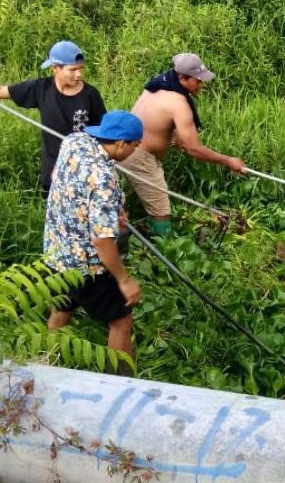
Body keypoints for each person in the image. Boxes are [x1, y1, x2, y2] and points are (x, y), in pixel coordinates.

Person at [43, 110, 143, 356]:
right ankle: (122, 384)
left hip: (57, 252)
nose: (134, 152)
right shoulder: (103, 178)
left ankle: (44, 365)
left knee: (62, 308)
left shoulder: (74, 140)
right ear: (120, 143)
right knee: (121, 321)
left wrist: (107, 211)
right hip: (86, 266)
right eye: (135, 146)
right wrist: (123, 279)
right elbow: (101, 239)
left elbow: (57, 175)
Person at [122, 53, 246, 236]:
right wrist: (228, 161)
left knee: (124, 203)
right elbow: (193, 149)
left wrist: (174, 135)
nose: (201, 85)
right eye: (198, 81)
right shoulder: (179, 104)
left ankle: (138, 235)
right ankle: (165, 250)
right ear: (182, 78)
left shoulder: (157, 86)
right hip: (140, 157)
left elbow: (155, 120)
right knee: (161, 210)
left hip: (122, 149)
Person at [0, 40, 107, 193]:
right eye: (73, 70)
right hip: (53, 171)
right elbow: (5, 91)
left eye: (81, 69)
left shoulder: (90, 95)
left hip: (84, 170)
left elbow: (104, 132)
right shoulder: (41, 89)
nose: (79, 74)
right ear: (55, 68)